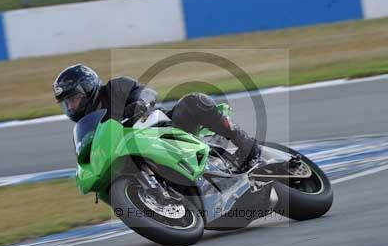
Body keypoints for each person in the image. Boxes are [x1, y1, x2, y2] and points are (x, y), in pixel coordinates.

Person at [53, 64, 261, 170]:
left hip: (163, 130)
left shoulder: (116, 87)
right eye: (67, 103)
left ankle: (246, 143)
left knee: (192, 101)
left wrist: (140, 104)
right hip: (131, 153)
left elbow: (147, 93)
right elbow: (87, 154)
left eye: (74, 99)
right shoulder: (86, 125)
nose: (71, 106)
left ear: (88, 88)